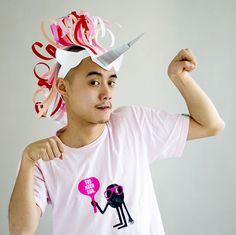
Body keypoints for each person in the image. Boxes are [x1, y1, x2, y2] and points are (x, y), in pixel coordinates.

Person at [8, 10, 225, 235]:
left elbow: (211, 125)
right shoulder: (44, 159)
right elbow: (19, 230)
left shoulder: (132, 124)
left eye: (111, 82)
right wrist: (26, 161)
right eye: (94, 82)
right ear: (63, 87)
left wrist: (179, 78)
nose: (107, 93)